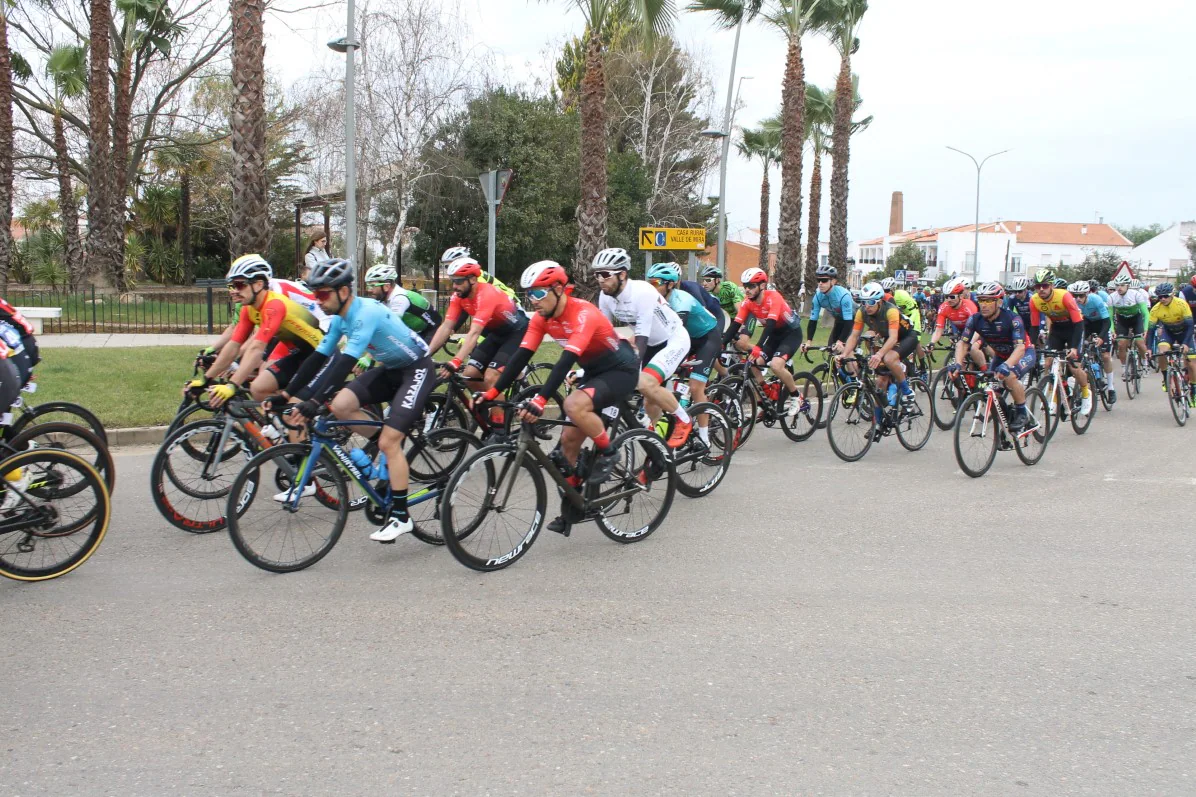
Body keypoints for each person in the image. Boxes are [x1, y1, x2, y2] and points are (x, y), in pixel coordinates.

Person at [274, 258, 435, 542]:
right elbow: (319, 358)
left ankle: (401, 516)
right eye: (315, 294)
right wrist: (287, 394)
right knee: (340, 406)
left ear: (344, 292)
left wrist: (313, 403)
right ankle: (386, 448)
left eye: (323, 294)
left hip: (416, 369)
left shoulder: (366, 312)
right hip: (391, 369)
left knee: (389, 441)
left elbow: (344, 364)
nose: (318, 301)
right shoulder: (339, 319)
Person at [480, 261, 640, 534]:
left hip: (620, 369)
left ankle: (609, 452)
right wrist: (492, 393)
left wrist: (540, 400)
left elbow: (564, 362)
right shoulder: (541, 319)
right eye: (529, 294)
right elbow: (521, 357)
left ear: (558, 289)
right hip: (594, 371)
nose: (533, 301)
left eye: (539, 293)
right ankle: (576, 505)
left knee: (573, 405)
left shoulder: (583, 314)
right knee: (567, 444)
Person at [188, 254, 324, 408]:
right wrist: (205, 380)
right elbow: (234, 345)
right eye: (231, 286)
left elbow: (257, 346)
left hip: (322, 350)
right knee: (258, 389)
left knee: (292, 410)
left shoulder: (275, 303)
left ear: (259, 284)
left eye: (239, 285)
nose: (233, 291)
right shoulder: (249, 309)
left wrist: (232, 384)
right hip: (300, 349)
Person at [592, 247, 694, 447]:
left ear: (622, 274)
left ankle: (684, 419)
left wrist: (627, 370)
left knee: (644, 382)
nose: (600, 279)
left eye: (605, 274)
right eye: (597, 275)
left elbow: (641, 338)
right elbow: (604, 335)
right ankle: (658, 447)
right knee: (649, 402)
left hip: (674, 339)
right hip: (653, 344)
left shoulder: (643, 292)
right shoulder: (605, 296)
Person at [425, 256, 528, 394]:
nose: (454, 286)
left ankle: (500, 414)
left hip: (517, 332)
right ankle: (485, 410)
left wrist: (456, 360)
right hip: (496, 334)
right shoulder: (459, 296)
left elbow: (474, 332)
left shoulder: (486, 294)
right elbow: (446, 327)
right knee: (470, 375)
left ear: (473, 279)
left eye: (459, 281)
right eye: (453, 281)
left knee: (490, 377)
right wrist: (426, 354)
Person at [646, 263, 722, 447]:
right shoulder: (653, 300)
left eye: (656, 283)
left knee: (696, 386)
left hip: (707, 337)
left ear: (670, 285)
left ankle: (704, 437)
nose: (652, 287)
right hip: (687, 338)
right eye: (649, 283)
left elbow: (671, 333)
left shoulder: (682, 301)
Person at [722, 267, 808, 421]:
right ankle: (766, 394)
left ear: (762, 286)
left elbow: (770, 325)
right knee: (753, 363)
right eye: (745, 286)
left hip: (791, 334)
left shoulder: (773, 297)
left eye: (751, 286)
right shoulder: (747, 303)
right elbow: (735, 325)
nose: (747, 290)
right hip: (775, 335)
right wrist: (721, 344)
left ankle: (797, 396)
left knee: (776, 365)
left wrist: (758, 347)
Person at [951, 281, 1037, 431]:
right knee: (992, 392)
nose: (984, 304)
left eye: (989, 300)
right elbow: (963, 344)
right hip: (1001, 355)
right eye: (981, 300)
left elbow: (1020, 348)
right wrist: (958, 364)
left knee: (1010, 377)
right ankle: (1008, 420)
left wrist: (1007, 365)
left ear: (999, 301)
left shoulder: (1012, 319)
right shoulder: (975, 319)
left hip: (1023, 353)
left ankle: (1022, 413)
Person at [838, 281, 920, 439]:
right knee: (879, 383)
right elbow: (854, 336)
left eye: (871, 302)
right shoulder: (862, 312)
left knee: (889, 358)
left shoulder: (891, 311)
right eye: (863, 302)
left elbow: (894, 337)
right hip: (888, 337)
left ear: (880, 301)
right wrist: (844, 354)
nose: (866, 306)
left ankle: (907, 392)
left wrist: (879, 354)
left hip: (907, 337)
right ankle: (877, 423)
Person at [1029, 268, 1091, 415]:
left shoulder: (1064, 296)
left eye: (1044, 286)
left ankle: (1086, 393)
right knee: (1049, 362)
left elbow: (1078, 323)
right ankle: (1054, 398)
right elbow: (1034, 325)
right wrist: (1031, 344)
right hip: (1057, 329)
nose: (1041, 289)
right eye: (1038, 286)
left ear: (1051, 285)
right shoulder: (1035, 300)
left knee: (1074, 366)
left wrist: (1074, 347)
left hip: (1074, 328)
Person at [362, 264, 441, 344]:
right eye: (368, 286)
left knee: (421, 355)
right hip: (416, 330)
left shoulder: (399, 298)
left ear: (387, 286)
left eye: (372, 286)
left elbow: (390, 328)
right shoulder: (384, 298)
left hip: (432, 328)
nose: (369, 290)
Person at [1071, 280, 1116, 404]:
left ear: (1087, 294)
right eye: (1075, 295)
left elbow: (1107, 321)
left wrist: (1101, 337)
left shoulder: (1096, 300)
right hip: (1087, 323)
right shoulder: (1074, 303)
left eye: (1081, 295)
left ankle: (1111, 388)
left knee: (1105, 356)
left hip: (1101, 323)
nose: (1078, 298)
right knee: (1081, 350)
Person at [1147, 282, 1196, 389]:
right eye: (1160, 296)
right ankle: (1165, 378)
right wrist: (1149, 348)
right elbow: (1150, 331)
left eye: (1165, 296)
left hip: (1184, 332)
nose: (1163, 299)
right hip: (1169, 332)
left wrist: (1186, 343)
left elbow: (1190, 326)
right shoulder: (1155, 309)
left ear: (1172, 294)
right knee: (1161, 352)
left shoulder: (1182, 304)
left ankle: (1194, 389)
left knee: (1192, 364)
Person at [801, 264, 855, 353]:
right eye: (818, 280)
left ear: (833, 281)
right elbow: (813, 321)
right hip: (839, 321)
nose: (820, 283)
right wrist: (808, 341)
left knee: (846, 352)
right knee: (831, 349)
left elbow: (848, 322)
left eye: (824, 280)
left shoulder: (843, 296)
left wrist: (840, 341)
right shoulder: (818, 297)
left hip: (853, 321)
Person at [438, 246, 518, 303]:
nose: (449, 269)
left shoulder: (476, 278)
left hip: (510, 301)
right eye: (446, 266)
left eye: (449, 265)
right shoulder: (469, 277)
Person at [927, 278, 978, 350]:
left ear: (960, 296)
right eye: (946, 296)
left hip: (976, 330)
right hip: (960, 329)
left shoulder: (969, 305)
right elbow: (938, 330)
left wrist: (971, 343)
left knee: (976, 349)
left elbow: (976, 328)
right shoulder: (944, 307)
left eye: (952, 297)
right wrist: (932, 343)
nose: (949, 300)